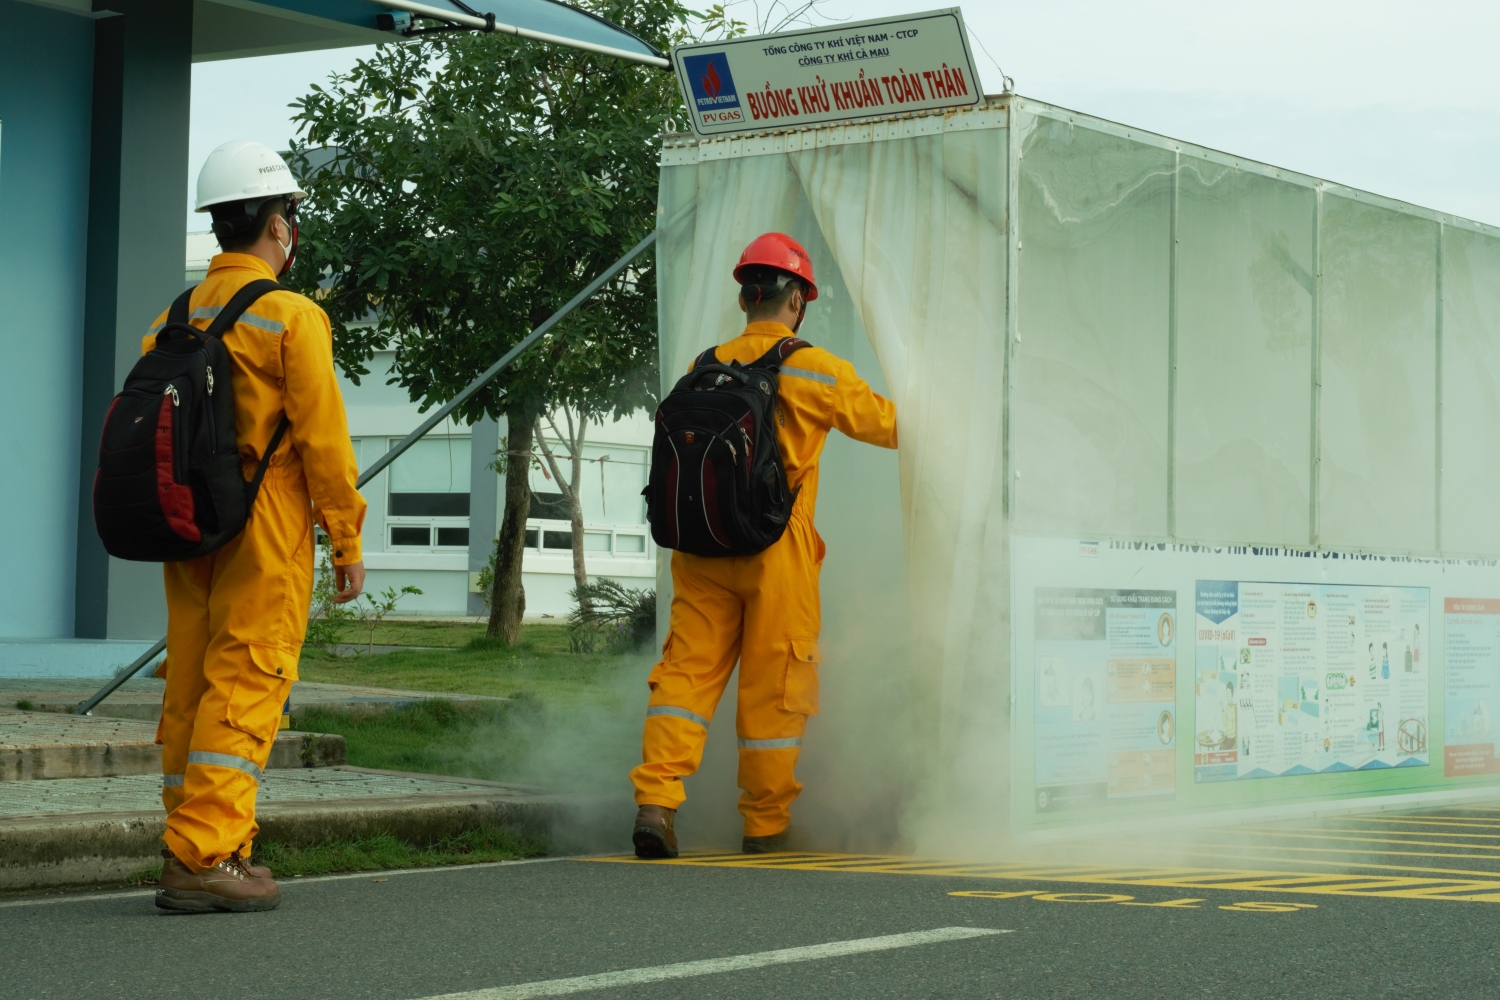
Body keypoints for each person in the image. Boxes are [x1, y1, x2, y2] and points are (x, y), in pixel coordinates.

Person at [630, 233, 898, 858]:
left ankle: (656, 803)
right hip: (777, 552)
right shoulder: (815, 369)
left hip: (698, 550)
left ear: (746, 295)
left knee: (685, 677)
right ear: (798, 301)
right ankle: (765, 825)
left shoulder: (702, 367)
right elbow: (891, 427)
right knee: (775, 689)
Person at [152, 141, 367, 912]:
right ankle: (203, 856)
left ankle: (208, 837)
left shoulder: (171, 317)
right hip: (264, 521)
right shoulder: (291, 317)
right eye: (291, 220)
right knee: (247, 680)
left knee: (193, 684)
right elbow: (323, 440)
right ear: (279, 226)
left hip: (189, 527)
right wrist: (346, 537)